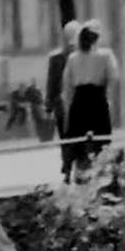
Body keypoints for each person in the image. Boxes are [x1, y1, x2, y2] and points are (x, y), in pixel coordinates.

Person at [61, 20, 122, 179]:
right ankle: (102, 170)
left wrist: (68, 105)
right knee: (102, 137)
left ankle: (76, 169)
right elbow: (114, 76)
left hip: (79, 99)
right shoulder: (105, 55)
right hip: (97, 98)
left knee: (77, 138)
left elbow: (67, 83)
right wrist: (109, 96)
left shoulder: (73, 58)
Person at [45, 19, 82, 181]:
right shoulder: (57, 58)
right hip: (66, 106)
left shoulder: (81, 57)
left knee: (74, 139)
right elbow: (52, 83)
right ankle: (68, 168)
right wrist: (49, 104)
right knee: (68, 139)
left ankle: (73, 169)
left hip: (77, 105)